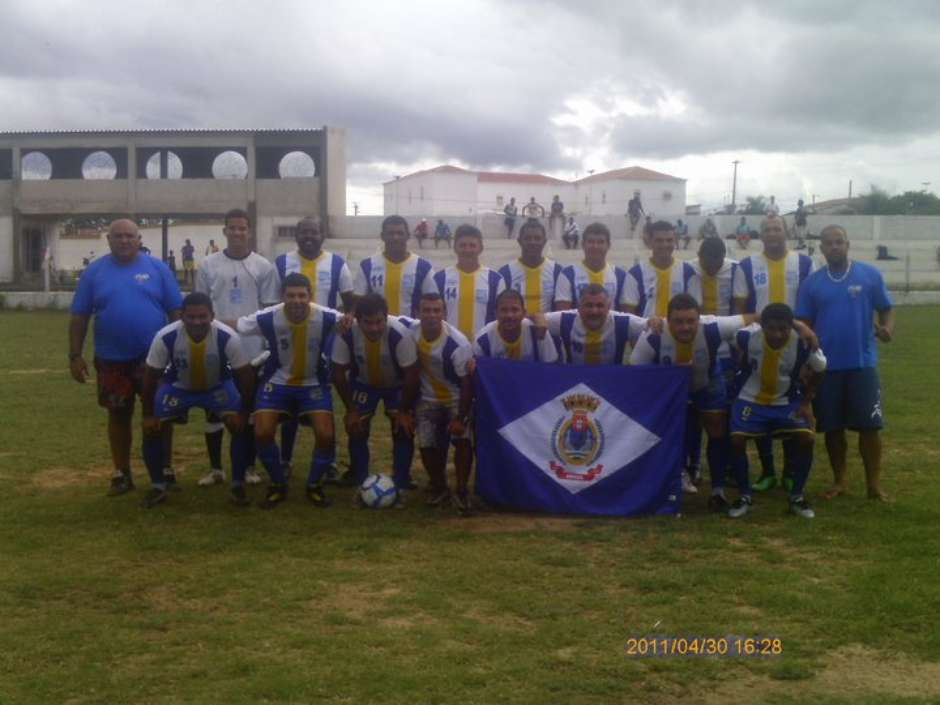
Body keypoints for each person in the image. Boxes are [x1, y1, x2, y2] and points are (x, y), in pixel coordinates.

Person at [68, 218, 182, 495]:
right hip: (112, 359)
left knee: (159, 413)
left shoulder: (158, 269)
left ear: (139, 239)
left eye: (129, 236)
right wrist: (75, 355)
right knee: (118, 415)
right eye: (118, 236)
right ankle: (122, 473)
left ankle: (164, 468)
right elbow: (80, 315)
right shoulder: (94, 272)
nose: (124, 241)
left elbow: (176, 312)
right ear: (108, 240)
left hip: (153, 360)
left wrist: (177, 352)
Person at [796, 225, 894, 501]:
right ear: (822, 248)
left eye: (839, 242)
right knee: (832, 427)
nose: (835, 247)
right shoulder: (812, 283)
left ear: (848, 244)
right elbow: (804, 323)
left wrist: (887, 328)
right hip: (827, 367)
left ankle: (873, 485)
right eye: (829, 243)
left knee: (870, 426)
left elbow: (886, 309)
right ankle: (840, 481)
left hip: (862, 364)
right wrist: (808, 358)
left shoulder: (869, 275)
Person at [631, 294, 754, 503]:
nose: (685, 327)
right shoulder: (654, 334)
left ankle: (717, 489)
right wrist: (664, 379)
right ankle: (671, 477)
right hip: (670, 386)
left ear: (700, 319)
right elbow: (635, 372)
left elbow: (756, 316)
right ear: (667, 320)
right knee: (669, 429)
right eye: (678, 322)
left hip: (706, 381)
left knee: (718, 430)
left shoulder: (714, 327)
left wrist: (800, 327)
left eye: (690, 321)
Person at [236, 273, 343, 509]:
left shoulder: (327, 317)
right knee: (262, 432)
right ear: (282, 297)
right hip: (278, 382)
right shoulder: (267, 318)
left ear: (310, 296)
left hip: (313, 382)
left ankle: (314, 485)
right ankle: (277, 483)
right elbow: (238, 324)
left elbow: (356, 321)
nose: (296, 301)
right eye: (290, 296)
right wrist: (201, 321)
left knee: (326, 436)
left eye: (301, 295)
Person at [139, 292, 256, 508]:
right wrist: (147, 415)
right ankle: (157, 486)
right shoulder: (165, 336)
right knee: (152, 428)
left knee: (238, 426)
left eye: (202, 316)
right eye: (191, 317)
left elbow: (246, 377)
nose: (197, 322)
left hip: (217, 387)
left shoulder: (228, 337)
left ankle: (238, 485)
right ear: (181, 316)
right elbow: (150, 377)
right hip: (178, 387)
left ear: (212, 316)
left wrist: (244, 413)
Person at [195, 208, 280, 487]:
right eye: (232, 228)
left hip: (252, 350)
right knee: (214, 409)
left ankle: (248, 468)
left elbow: (269, 312)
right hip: (216, 348)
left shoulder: (263, 267)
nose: (237, 233)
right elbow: (200, 308)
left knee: (250, 410)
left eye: (242, 228)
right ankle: (216, 468)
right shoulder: (208, 265)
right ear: (224, 231)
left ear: (249, 231)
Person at [734, 215, 815, 492]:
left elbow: (811, 304)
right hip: (760, 344)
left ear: (786, 232)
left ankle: (790, 471)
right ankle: (767, 470)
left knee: (790, 404)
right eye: (767, 229)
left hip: (793, 346)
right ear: (760, 234)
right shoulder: (747, 265)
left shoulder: (804, 263)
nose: (772, 233)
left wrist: (807, 346)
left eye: (777, 228)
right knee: (760, 399)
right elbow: (741, 306)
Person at [726, 304, 827, 519]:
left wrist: (807, 401)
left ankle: (797, 497)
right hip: (750, 399)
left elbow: (820, 368)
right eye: (771, 328)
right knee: (736, 440)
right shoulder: (746, 337)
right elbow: (728, 337)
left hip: (786, 401)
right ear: (761, 326)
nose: (777, 334)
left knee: (807, 440)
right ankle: (744, 495)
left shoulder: (803, 343)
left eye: (783, 328)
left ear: (791, 327)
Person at [274, 215, 355, 479]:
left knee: (324, 401)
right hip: (289, 341)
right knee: (289, 399)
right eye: (304, 232)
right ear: (296, 235)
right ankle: (285, 459)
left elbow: (350, 303)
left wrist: (346, 321)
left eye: (314, 232)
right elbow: (272, 303)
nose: (309, 236)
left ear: (322, 235)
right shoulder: (282, 263)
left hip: (325, 344)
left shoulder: (337, 265)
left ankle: (328, 460)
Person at [331, 293, 420, 495]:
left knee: (403, 427)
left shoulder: (400, 333)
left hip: (396, 385)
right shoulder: (346, 332)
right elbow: (337, 373)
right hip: (364, 383)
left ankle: (402, 479)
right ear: (357, 320)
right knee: (356, 427)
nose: (374, 328)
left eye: (379, 322)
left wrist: (404, 410)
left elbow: (412, 375)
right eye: (367, 323)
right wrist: (351, 410)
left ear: (386, 317)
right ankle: (360, 478)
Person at [402, 292, 474, 515]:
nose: (431, 315)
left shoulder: (457, 343)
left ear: (444, 313)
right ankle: (439, 485)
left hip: (456, 399)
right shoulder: (410, 332)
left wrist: (461, 418)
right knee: (426, 444)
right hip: (427, 399)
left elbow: (467, 383)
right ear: (417, 313)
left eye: (436, 310)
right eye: (426, 310)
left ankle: (461, 490)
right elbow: (387, 319)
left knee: (462, 441)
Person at [354, 215, 437, 317]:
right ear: (382, 236)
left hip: (411, 332)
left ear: (407, 236)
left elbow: (434, 304)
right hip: (376, 331)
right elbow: (357, 303)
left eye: (400, 233)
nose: (395, 237)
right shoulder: (367, 266)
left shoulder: (424, 267)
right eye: (391, 233)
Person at [433, 224, 505, 340]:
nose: (467, 250)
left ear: (481, 248)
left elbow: (501, 317)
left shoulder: (495, 279)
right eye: (462, 245)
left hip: (483, 348)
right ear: (455, 247)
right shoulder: (440, 278)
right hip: (450, 347)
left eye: (472, 245)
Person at [545, 284, 647, 365]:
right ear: (579, 307)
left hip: (611, 379)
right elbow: (533, 320)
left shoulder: (621, 321)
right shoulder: (566, 319)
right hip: (575, 380)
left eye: (600, 305)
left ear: (608, 307)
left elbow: (653, 324)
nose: (594, 311)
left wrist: (655, 321)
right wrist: (538, 318)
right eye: (589, 305)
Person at [623, 220, 696, 318]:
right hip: (646, 332)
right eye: (659, 240)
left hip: (678, 332)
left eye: (669, 240)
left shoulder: (687, 271)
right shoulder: (635, 274)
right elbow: (629, 314)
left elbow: (695, 309)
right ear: (650, 242)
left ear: (675, 241)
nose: (665, 245)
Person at [555, 222, 628, 311]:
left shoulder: (620, 276)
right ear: (583, 244)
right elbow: (563, 315)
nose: (595, 246)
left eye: (600, 242)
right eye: (590, 242)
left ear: (608, 245)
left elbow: (626, 315)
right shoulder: (567, 275)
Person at [498, 218, 564, 315]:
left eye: (537, 238)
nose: (532, 242)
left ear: (544, 241)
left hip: (548, 329)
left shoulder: (557, 271)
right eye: (527, 238)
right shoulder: (506, 273)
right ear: (519, 241)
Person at [473, 289, 559, 362]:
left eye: (515, 309)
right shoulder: (483, 338)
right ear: (496, 314)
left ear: (524, 313)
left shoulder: (538, 331)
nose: (509, 315)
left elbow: (550, 365)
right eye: (503, 310)